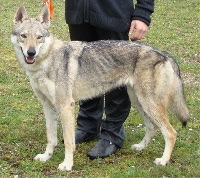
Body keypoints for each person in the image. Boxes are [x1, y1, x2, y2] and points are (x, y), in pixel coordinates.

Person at [65, 0, 155, 159]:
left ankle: (112, 132)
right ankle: (88, 125)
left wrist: (143, 13)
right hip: (78, 13)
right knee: (84, 72)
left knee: (117, 77)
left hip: (113, 13)